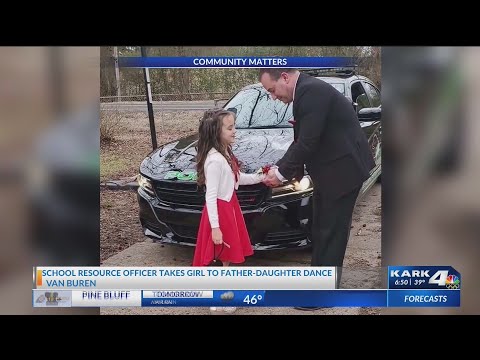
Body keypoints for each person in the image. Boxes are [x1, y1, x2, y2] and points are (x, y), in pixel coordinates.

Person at [260, 68, 376, 310]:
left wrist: (280, 173)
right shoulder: (305, 91)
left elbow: (308, 141)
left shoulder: (310, 92)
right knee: (321, 227)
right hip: (330, 172)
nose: (272, 96)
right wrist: (285, 168)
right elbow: (305, 140)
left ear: (284, 77)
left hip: (343, 172)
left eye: (272, 90)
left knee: (332, 230)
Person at [192, 108, 266, 314]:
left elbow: (237, 178)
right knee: (220, 254)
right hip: (220, 211)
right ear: (216, 132)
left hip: (229, 208)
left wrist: (261, 177)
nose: (235, 131)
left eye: (234, 126)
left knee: (225, 256)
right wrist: (215, 228)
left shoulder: (224, 154)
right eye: (230, 127)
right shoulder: (214, 160)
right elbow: (211, 195)